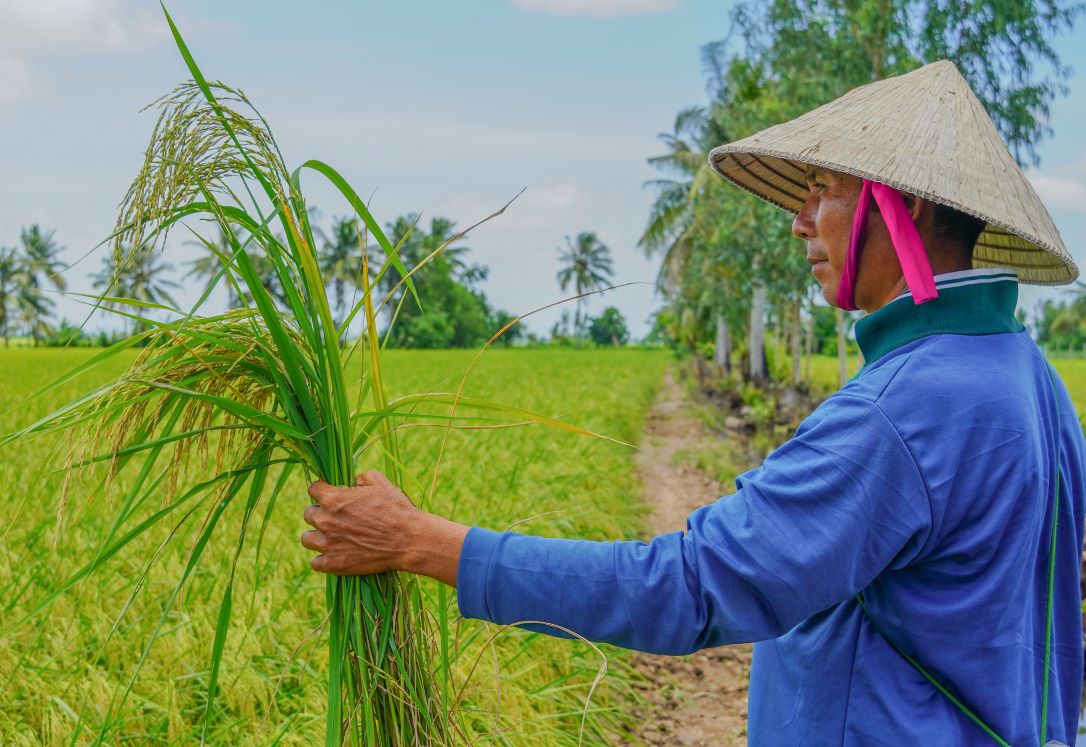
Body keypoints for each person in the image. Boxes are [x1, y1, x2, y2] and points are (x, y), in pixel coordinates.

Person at [300, 60, 1085, 745]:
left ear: (902, 206)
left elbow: (682, 586)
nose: (799, 223)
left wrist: (419, 542)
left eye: (821, 190)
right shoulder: (1028, 374)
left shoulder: (902, 409)